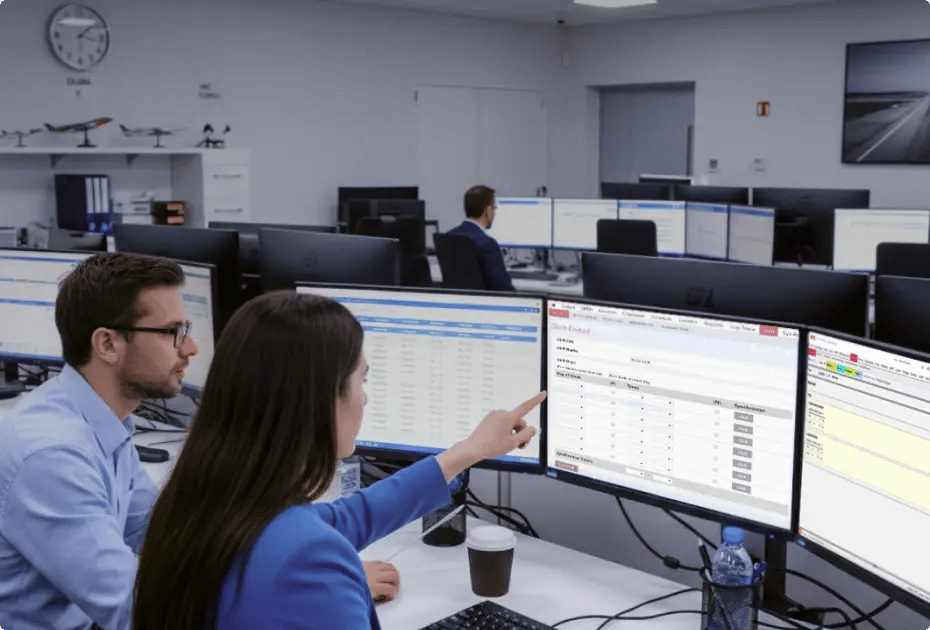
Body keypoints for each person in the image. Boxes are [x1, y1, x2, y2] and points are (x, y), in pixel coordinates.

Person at [133, 291, 545, 630]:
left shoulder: (201, 499)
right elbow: (312, 543)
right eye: (360, 380)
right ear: (320, 400)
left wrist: (466, 452)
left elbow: (345, 519)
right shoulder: (307, 559)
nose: (364, 398)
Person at [0, 252, 197, 630]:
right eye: (173, 332)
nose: (190, 348)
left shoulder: (101, 421)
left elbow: (157, 537)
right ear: (107, 344)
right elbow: (139, 613)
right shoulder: (53, 456)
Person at [448, 184, 516, 292]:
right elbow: (503, 289)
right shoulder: (487, 244)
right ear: (488, 210)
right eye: (494, 208)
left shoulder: (449, 236)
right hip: (487, 306)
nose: (494, 214)